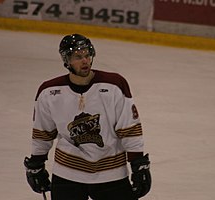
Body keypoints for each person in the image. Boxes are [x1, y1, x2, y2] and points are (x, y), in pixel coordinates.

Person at [23, 33, 151, 200]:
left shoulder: (114, 85)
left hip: (111, 174)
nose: (85, 61)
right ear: (66, 61)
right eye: (78, 56)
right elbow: (43, 132)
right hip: (67, 174)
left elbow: (129, 129)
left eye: (87, 55)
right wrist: (36, 164)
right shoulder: (49, 92)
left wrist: (138, 163)